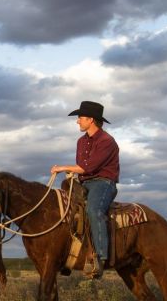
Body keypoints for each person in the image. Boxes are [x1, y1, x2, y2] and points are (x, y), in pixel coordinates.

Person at [51, 101, 119, 279]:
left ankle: (100, 256)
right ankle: (69, 254)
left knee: (93, 210)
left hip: (103, 183)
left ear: (91, 119)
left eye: (80, 118)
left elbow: (88, 166)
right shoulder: (81, 141)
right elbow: (82, 168)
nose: (77, 121)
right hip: (85, 182)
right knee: (64, 208)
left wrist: (62, 168)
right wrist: (71, 173)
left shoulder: (107, 141)